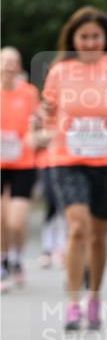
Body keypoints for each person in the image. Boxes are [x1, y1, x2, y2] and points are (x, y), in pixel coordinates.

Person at [40, 6, 107, 330]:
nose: (89, 42)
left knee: (99, 235)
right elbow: (47, 111)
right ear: (73, 38)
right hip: (68, 159)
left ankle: (94, 298)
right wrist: (42, 129)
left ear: (106, 38)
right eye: (83, 37)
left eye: (95, 37)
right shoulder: (60, 71)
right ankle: (73, 302)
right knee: (77, 228)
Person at [0, 46, 40, 290]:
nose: (8, 65)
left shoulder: (29, 93)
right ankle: (3, 261)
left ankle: (16, 257)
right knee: (0, 218)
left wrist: (34, 135)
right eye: (4, 61)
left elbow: (37, 121)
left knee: (16, 220)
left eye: (13, 61)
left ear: (19, 66)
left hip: (23, 162)